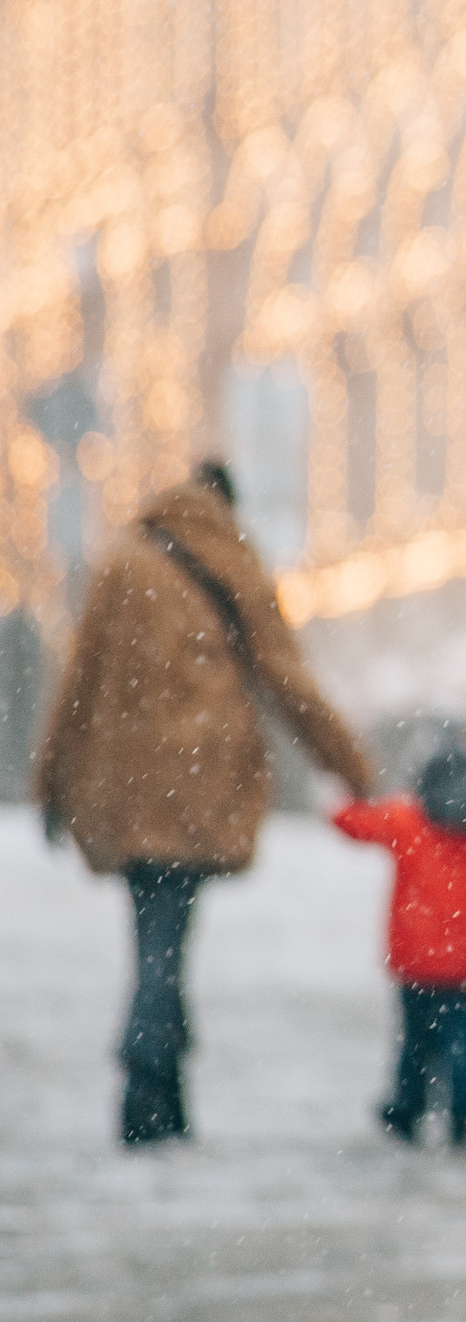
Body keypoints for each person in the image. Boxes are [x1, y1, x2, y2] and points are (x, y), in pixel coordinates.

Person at [32, 458, 376, 1147]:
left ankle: (158, 1084)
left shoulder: (121, 564)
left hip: (127, 785)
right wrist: (352, 767)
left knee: (154, 933)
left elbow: (79, 679)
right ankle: (150, 1074)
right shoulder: (232, 558)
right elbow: (287, 677)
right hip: (199, 783)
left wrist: (52, 781)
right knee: (167, 940)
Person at [333, 736, 466, 1148]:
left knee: (415, 1041)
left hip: (416, 959)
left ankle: (407, 1107)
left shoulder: (406, 821)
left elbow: (348, 821)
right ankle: (464, 1109)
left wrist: (348, 789)